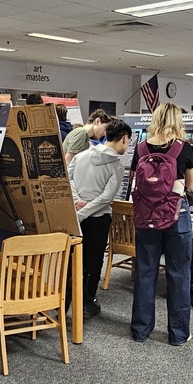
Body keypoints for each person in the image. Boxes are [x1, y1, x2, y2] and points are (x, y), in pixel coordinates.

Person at [129, 104, 193, 346]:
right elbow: (190, 184)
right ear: (178, 120)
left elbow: (135, 179)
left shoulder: (141, 147)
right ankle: (178, 334)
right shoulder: (184, 148)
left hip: (146, 216)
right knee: (179, 273)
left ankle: (140, 329)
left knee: (145, 271)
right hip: (176, 215)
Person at [68, 118, 132, 317]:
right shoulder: (117, 167)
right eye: (128, 141)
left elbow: (67, 179)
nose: (128, 146)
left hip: (76, 216)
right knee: (94, 261)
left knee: (73, 259)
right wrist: (85, 211)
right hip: (98, 219)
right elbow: (106, 198)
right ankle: (87, 303)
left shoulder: (81, 156)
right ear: (123, 139)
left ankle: (65, 300)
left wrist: (78, 203)